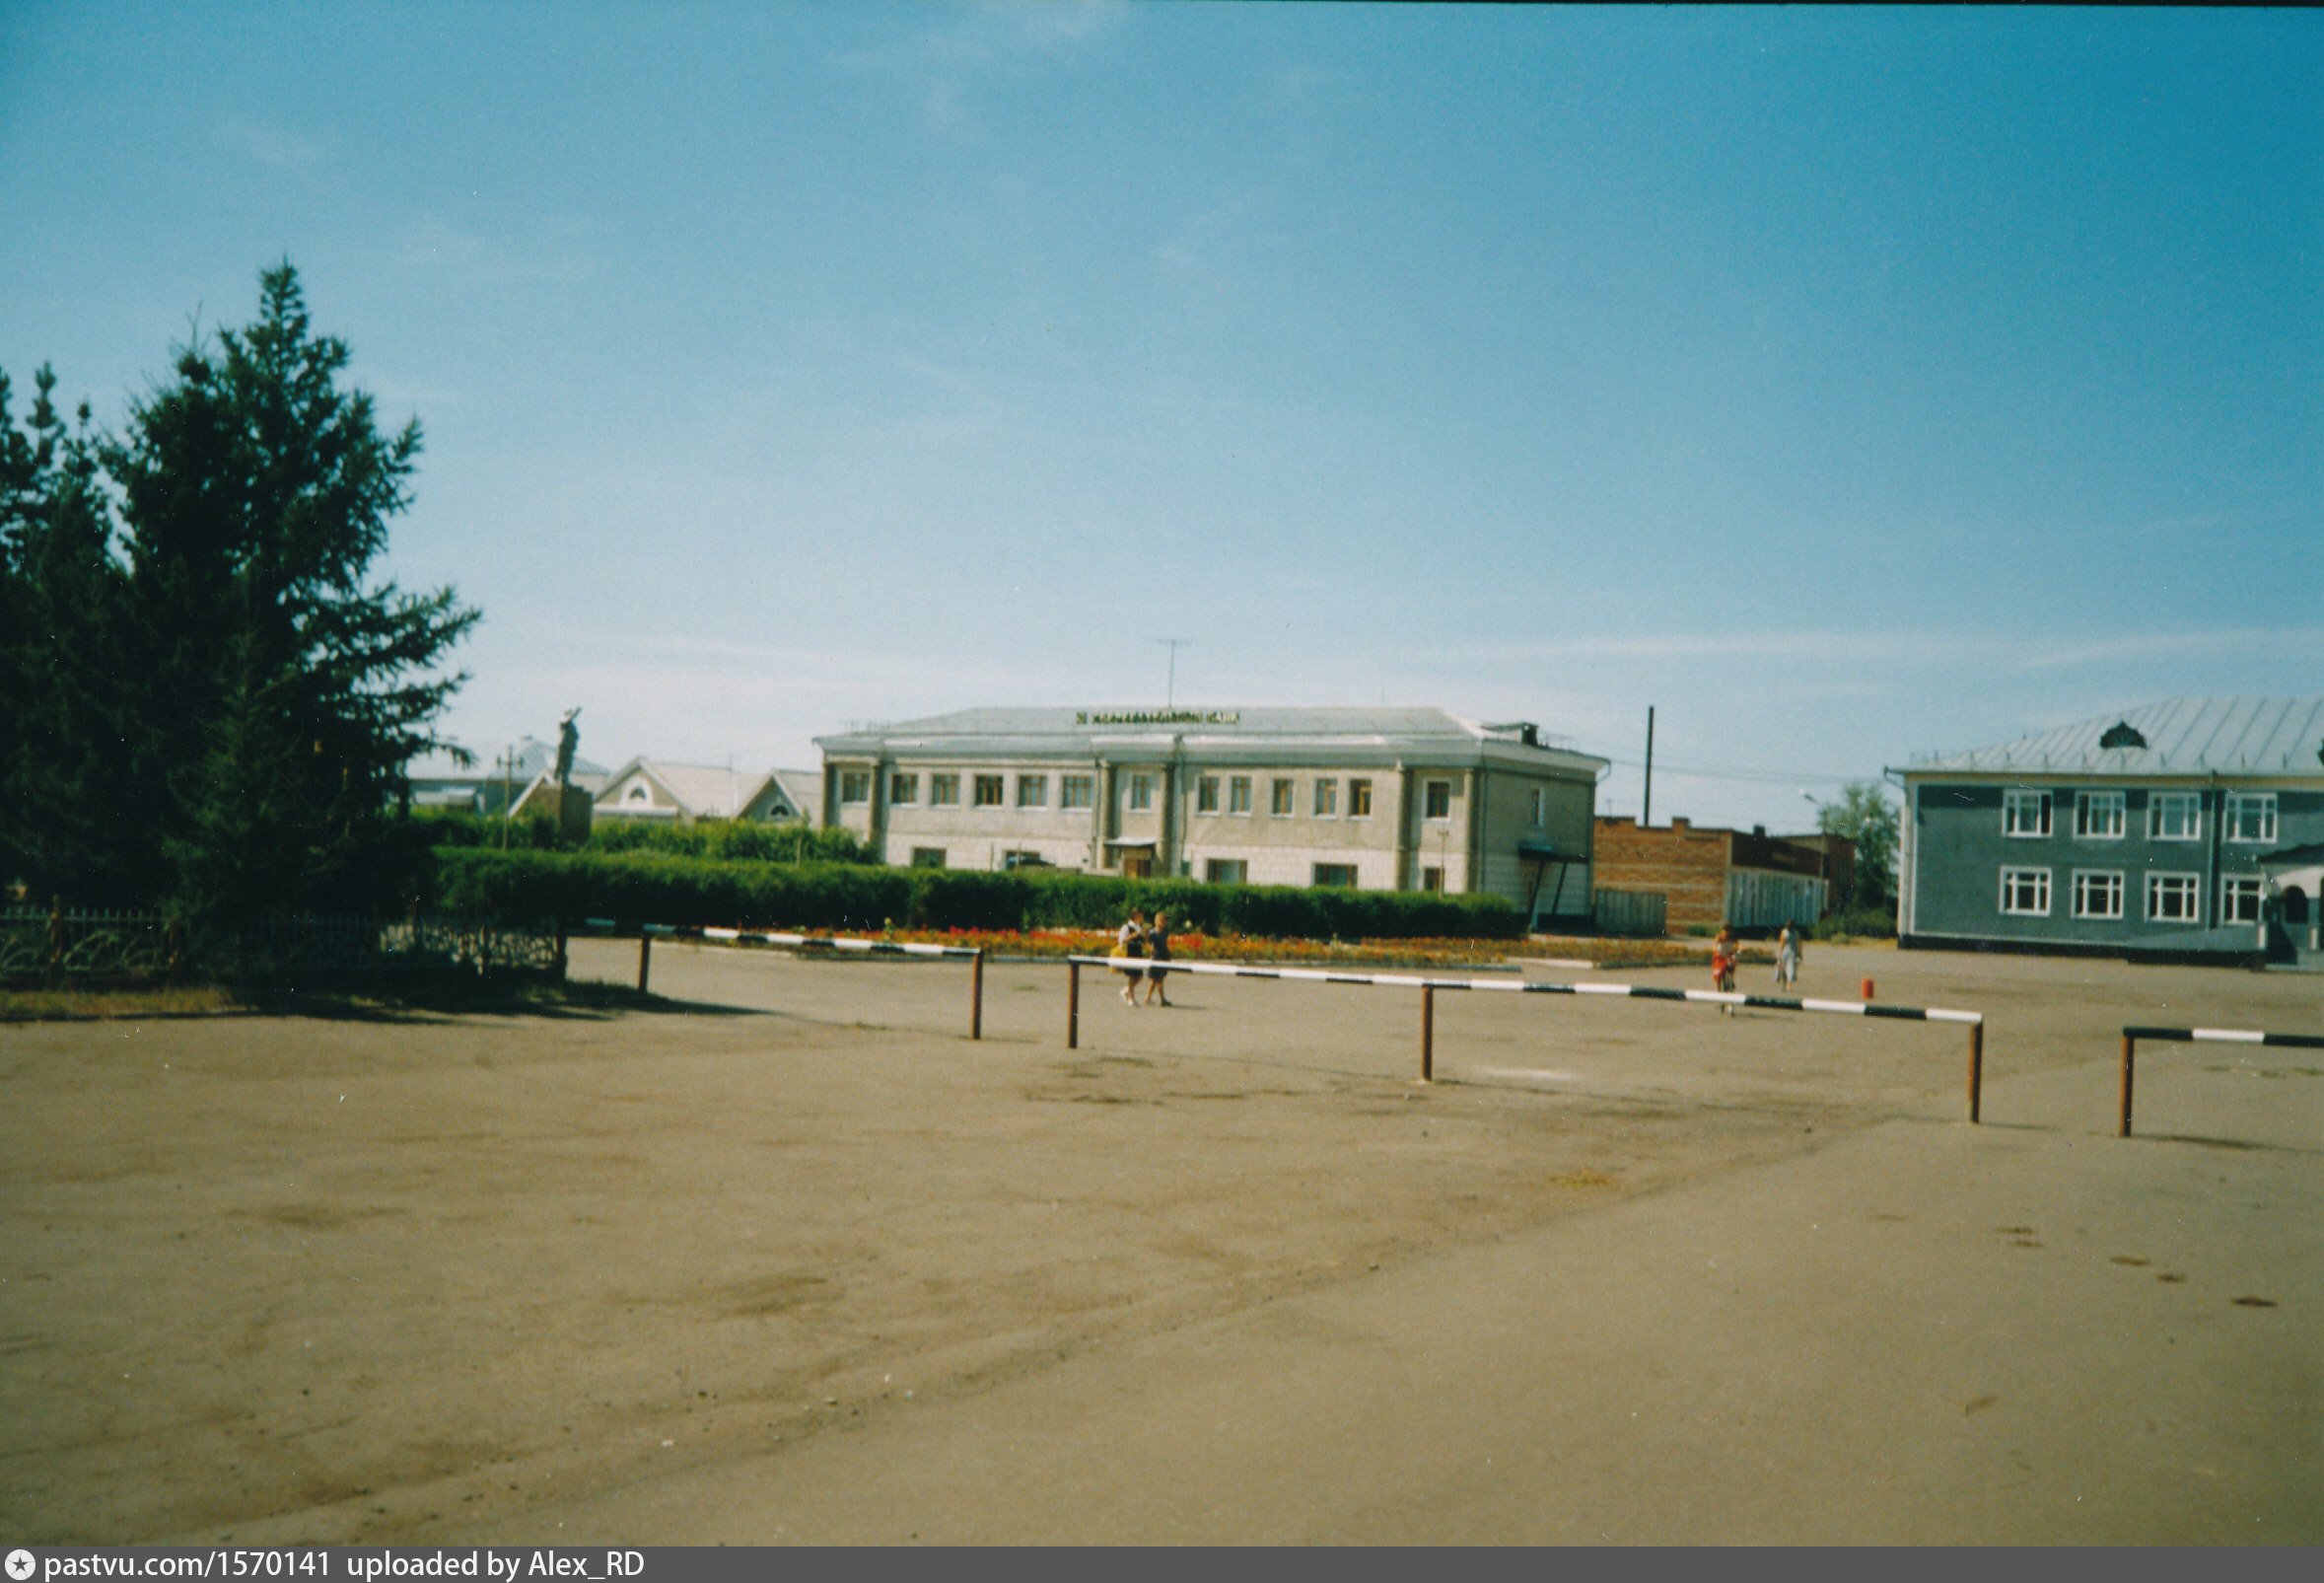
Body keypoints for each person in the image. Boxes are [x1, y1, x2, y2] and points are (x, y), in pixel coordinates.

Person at [1116, 908, 1147, 1003]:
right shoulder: (1126, 927)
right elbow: (1121, 940)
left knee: (1140, 975)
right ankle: (1131, 998)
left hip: (1138, 952)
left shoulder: (1139, 927)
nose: (1141, 918)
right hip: (1131, 952)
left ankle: (1126, 990)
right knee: (1132, 976)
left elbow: (1143, 940)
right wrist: (1132, 936)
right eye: (1139, 916)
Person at [1143, 910, 1173, 1005]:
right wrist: (1149, 947)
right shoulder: (1152, 933)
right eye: (1160, 921)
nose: (1162, 923)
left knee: (1160, 979)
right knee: (1155, 979)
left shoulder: (1165, 933)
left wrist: (1168, 953)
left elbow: (1165, 944)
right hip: (1155, 956)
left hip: (1163, 956)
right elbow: (1146, 941)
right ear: (1155, 921)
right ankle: (1161, 999)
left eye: (1164, 921)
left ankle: (1150, 998)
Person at [1711, 924, 1738, 1010]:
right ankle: (1718, 997)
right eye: (1724, 932)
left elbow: (1738, 946)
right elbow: (1714, 945)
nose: (1726, 934)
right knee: (1718, 977)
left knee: (1732, 966)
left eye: (1728, 932)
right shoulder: (1719, 937)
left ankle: (1730, 983)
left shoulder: (1733, 938)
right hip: (1719, 958)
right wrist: (1715, 949)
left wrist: (1741, 949)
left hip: (1728, 957)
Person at [1774, 922, 1801, 990]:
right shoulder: (1795, 933)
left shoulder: (1785, 932)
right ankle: (1786, 983)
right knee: (1789, 968)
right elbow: (1799, 943)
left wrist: (1779, 953)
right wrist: (1800, 953)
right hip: (1790, 952)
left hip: (1788, 952)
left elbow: (1782, 943)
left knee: (1787, 968)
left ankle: (1787, 984)